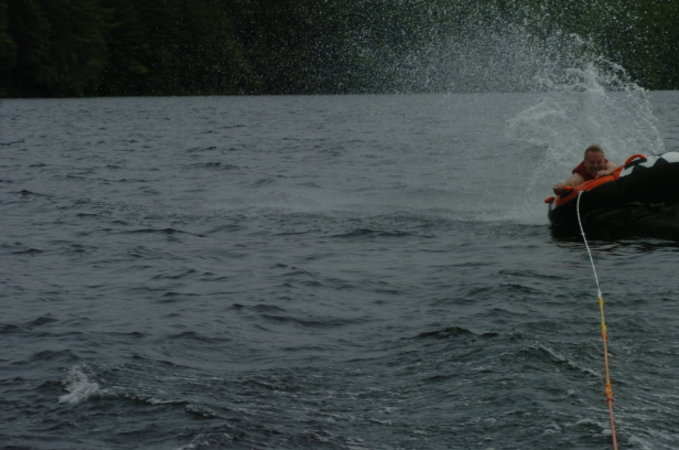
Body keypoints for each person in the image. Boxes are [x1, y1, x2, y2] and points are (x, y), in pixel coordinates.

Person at [552, 145, 619, 195]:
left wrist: (606, 172)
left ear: (604, 161)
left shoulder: (608, 165)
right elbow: (565, 187)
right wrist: (559, 189)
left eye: (599, 162)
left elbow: (615, 168)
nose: (595, 166)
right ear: (585, 163)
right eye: (592, 163)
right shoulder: (579, 176)